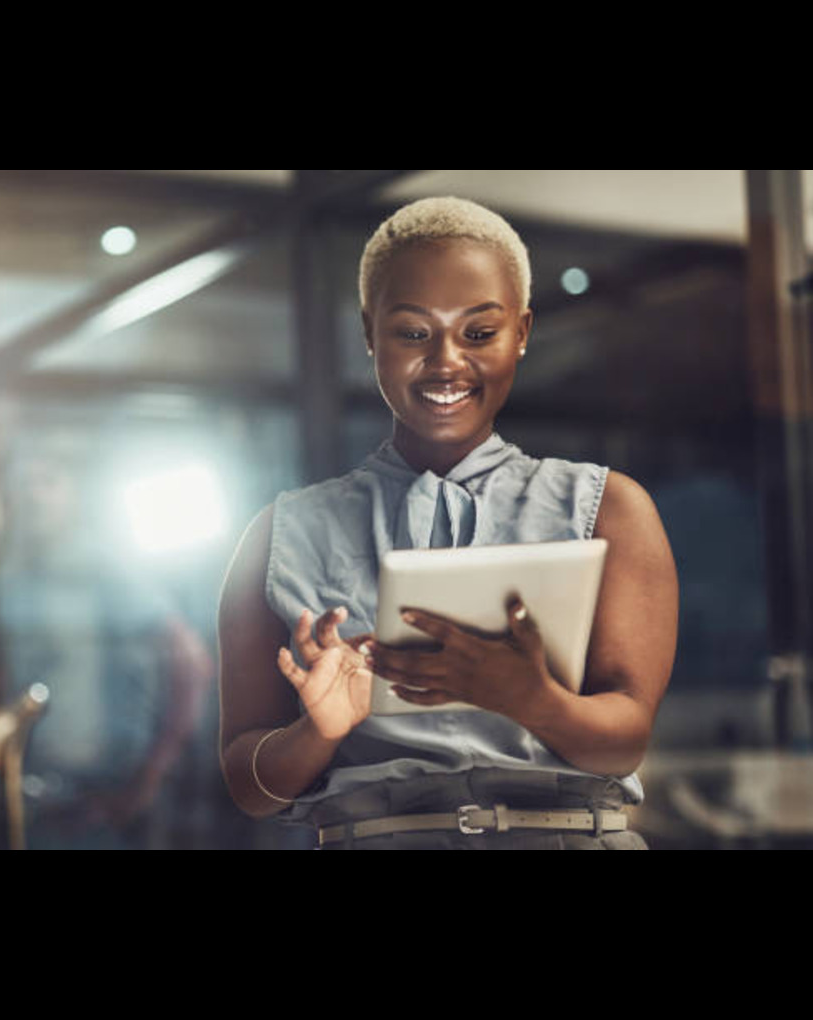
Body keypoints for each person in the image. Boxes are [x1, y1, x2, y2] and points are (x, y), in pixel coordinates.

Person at [218, 196, 678, 849]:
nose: (445, 362)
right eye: (412, 332)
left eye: (479, 333)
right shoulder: (280, 533)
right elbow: (249, 788)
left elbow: (624, 741)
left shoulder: (611, 508)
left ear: (521, 333)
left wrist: (532, 698)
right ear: (369, 333)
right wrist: (319, 730)